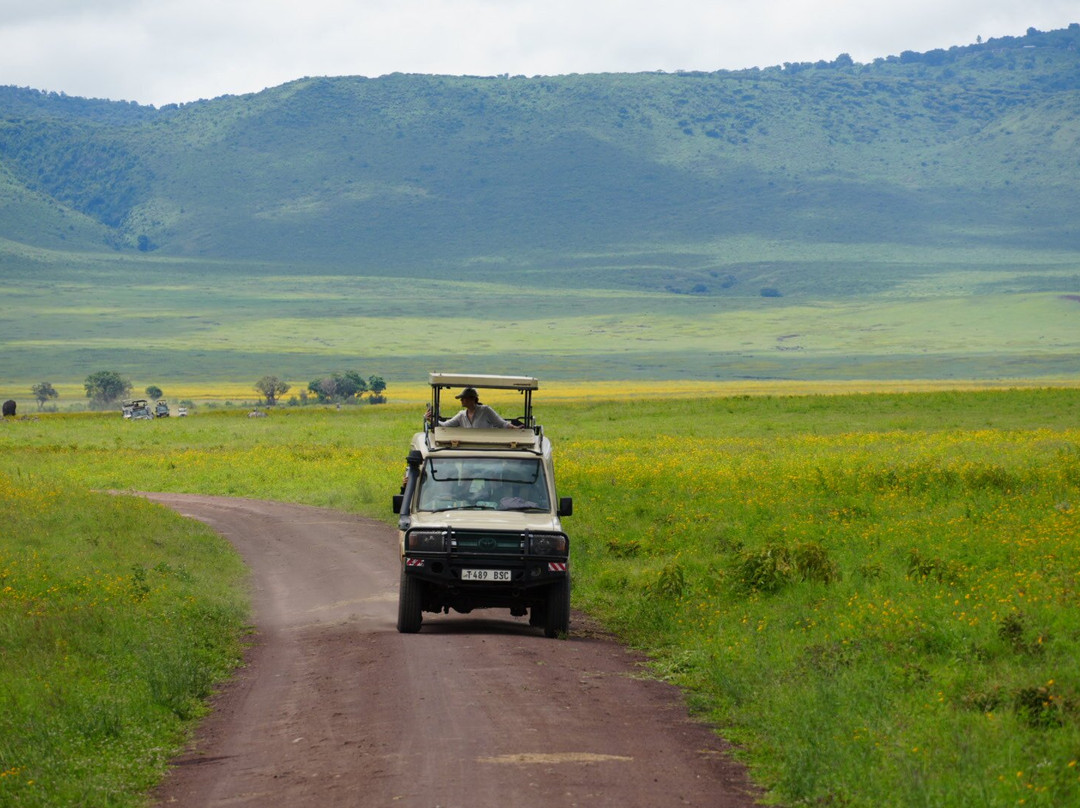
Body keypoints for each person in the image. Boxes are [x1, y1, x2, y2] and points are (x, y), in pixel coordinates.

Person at [428, 387, 521, 429]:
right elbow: (445, 425)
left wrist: (514, 428)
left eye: (463, 398)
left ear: (472, 399)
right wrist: (431, 420)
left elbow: (502, 424)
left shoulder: (485, 410)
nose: (461, 400)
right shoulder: (461, 415)